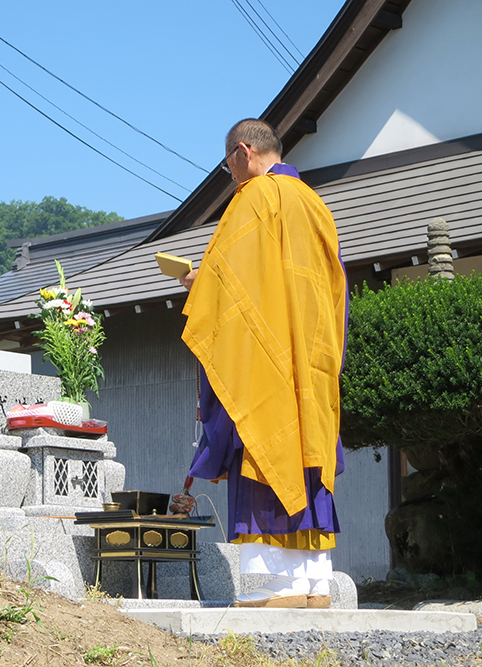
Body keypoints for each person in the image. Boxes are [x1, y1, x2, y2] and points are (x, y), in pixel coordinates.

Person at [177, 119, 348, 609]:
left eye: (229, 163)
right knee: (306, 458)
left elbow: (228, 282)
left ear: (243, 152)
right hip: (311, 360)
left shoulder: (254, 197)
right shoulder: (315, 203)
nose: (230, 175)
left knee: (266, 455)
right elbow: (336, 289)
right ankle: (315, 583)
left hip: (271, 361)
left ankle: (279, 588)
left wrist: (194, 281)